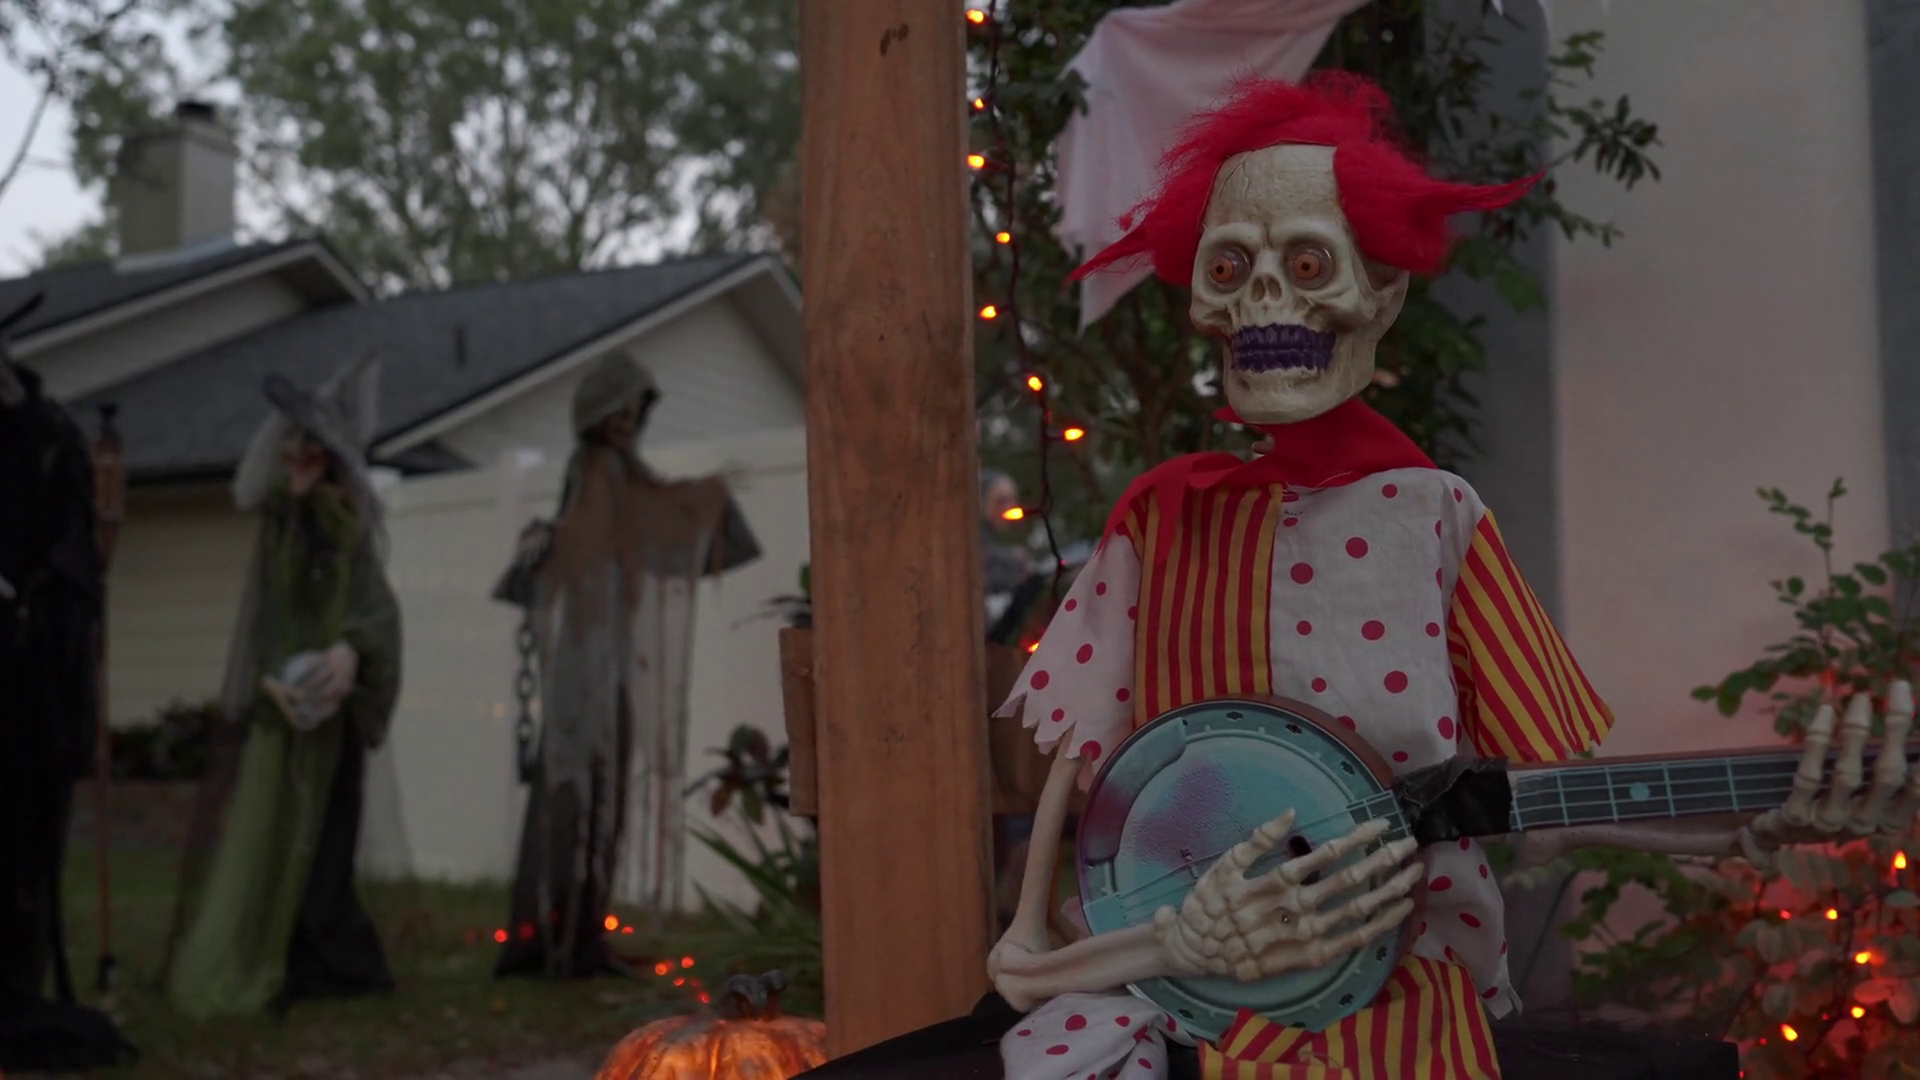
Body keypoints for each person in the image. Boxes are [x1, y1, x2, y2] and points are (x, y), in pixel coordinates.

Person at [492, 354, 760, 978]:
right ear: (597, 413)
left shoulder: (621, 474)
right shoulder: (595, 470)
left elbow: (644, 522)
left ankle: (577, 930)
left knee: (600, 793)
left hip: (605, 660)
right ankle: (558, 935)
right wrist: (548, 541)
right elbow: (583, 535)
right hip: (586, 663)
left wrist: (706, 498)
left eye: (637, 408)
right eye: (620, 407)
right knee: (578, 795)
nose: (629, 418)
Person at [161, 355, 402, 1018]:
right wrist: (272, 676)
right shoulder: (280, 523)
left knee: (328, 833)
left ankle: (325, 953)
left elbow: (375, 608)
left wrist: (350, 652)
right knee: (273, 831)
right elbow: (267, 611)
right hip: (285, 710)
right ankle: (278, 948)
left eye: (312, 447)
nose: (298, 457)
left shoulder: (347, 527)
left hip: (333, 710)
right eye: (291, 445)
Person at [0, 292, 132, 1071]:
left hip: (28, 684)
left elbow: (75, 561)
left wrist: (29, 605)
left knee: (22, 843)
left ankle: (16, 979)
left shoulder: (51, 441)